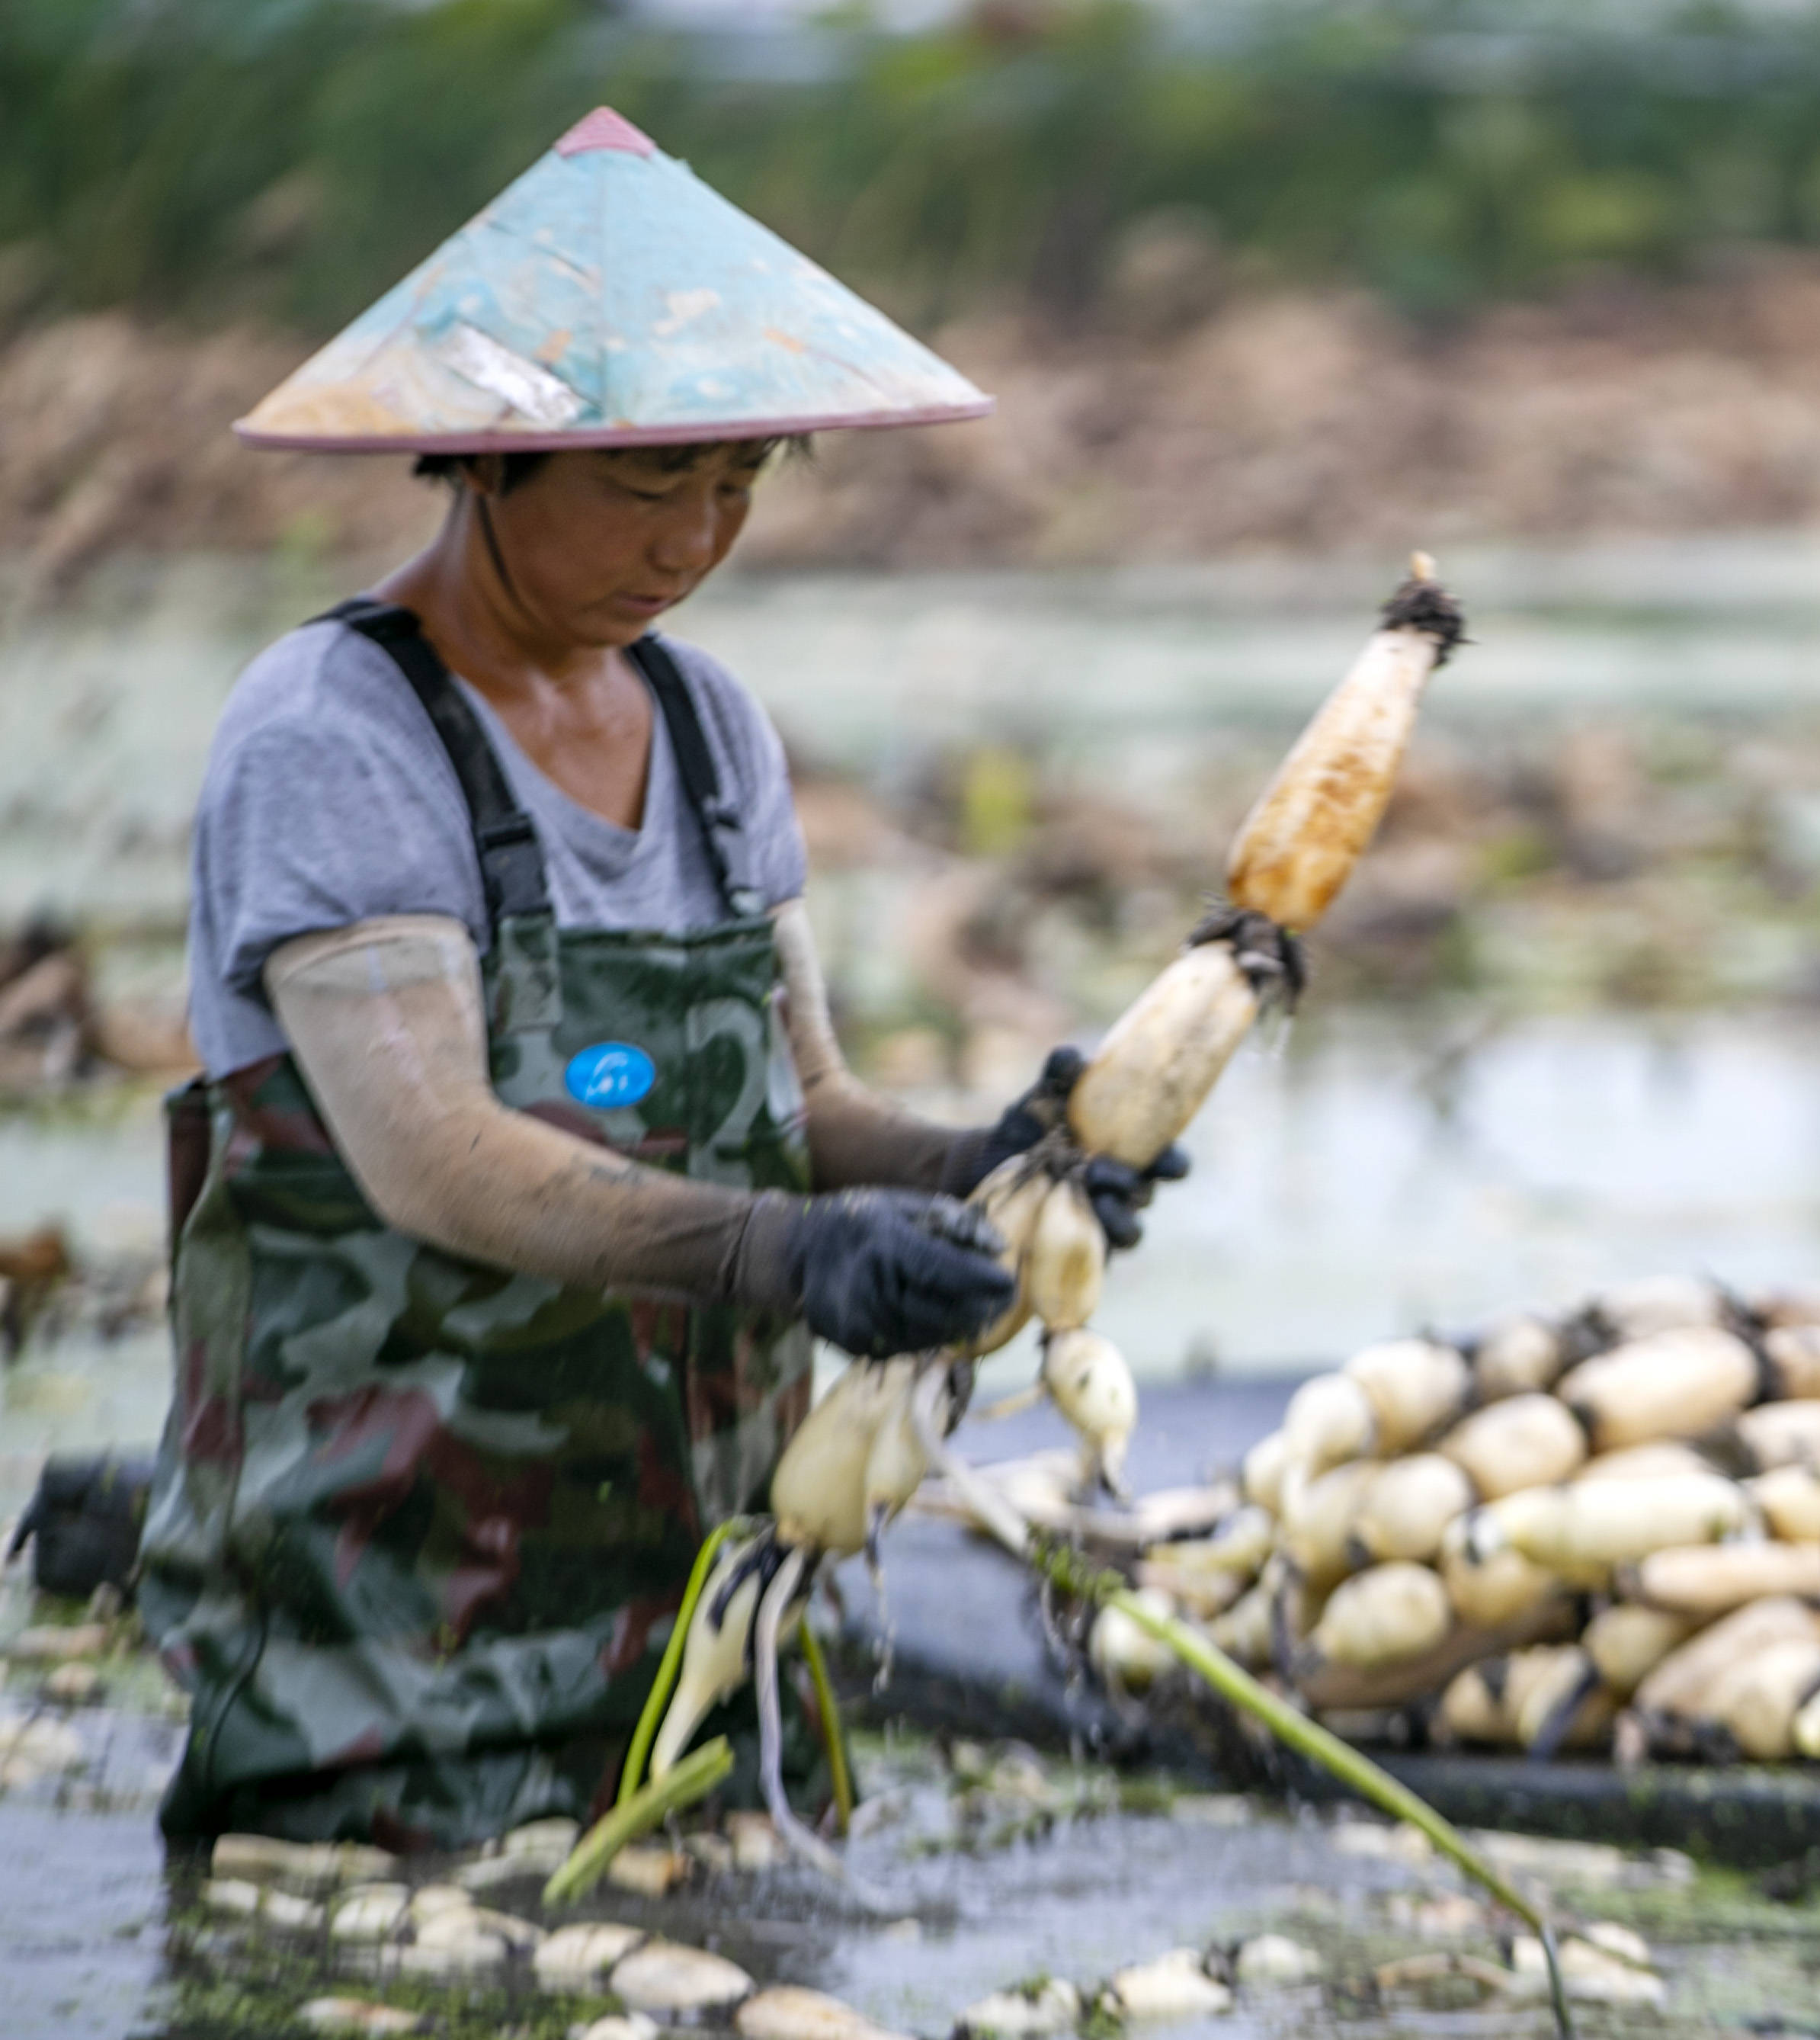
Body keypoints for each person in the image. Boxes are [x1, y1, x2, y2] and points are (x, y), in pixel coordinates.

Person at [139, 108, 1178, 1848]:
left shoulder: (707, 730)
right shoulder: (336, 737)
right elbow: (439, 1158)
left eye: (736, 486)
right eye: (645, 485)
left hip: (709, 1607)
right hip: (383, 1629)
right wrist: (786, 1254)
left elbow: (804, 1107)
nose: (693, 539)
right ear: (482, 463)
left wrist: (989, 1162)